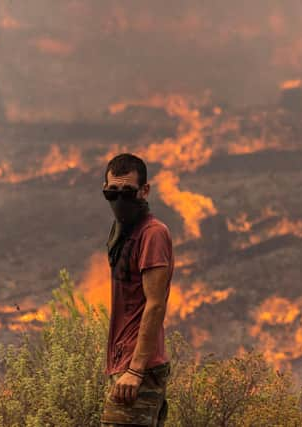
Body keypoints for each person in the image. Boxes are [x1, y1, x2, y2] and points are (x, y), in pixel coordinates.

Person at [100, 153, 174, 427]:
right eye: (112, 192)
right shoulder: (122, 232)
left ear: (145, 191)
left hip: (137, 370)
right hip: (124, 366)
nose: (120, 200)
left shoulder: (151, 233)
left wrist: (135, 369)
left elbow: (155, 304)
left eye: (128, 192)